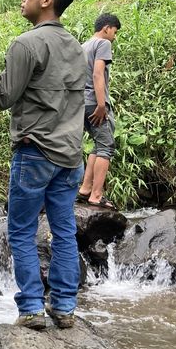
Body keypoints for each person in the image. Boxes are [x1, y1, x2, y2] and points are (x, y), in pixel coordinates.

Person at [0, 0, 87, 330]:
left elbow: (2, 96)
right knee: (64, 231)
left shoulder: (25, 44)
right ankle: (64, 308)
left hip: (34, 153)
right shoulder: (77, 47)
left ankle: (32, 307)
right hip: (70, 156)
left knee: (20, 230)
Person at [77, 14, 121, 210]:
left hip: (80, 103)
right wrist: (101, 104)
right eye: (115, 32)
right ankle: (96, 195)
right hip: (95, 102)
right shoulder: (102, 44)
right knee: (106, 147)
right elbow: (97, 73)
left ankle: (85, 190)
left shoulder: (83, 46)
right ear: (106, 28)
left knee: (98, 144)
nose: (114, 36)